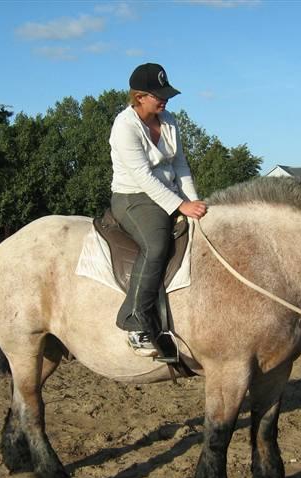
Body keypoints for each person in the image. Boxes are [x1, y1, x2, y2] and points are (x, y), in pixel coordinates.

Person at [109, 62, 207, 356]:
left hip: (169, 193)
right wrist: (180, 205)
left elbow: (180, 164)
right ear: (139, 97)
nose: (165, 99)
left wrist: (195, 203)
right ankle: (135, 321)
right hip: (134, 197)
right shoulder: (124, 126)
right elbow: (143, 176)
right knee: (156, 243)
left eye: (165, 94)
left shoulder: (170, 121)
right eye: (157, 95)